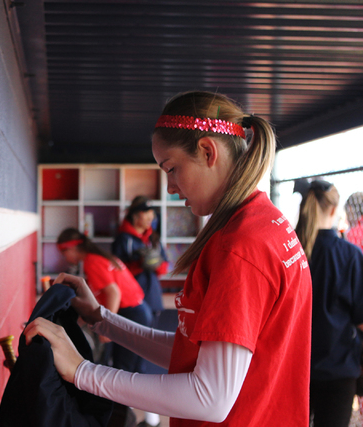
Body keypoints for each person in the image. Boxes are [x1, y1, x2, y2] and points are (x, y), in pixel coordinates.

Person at [25, 91, 312, 426]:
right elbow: (191, 354)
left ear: (207, 151)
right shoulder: (264, 224)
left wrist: (81, 371)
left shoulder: (240, 246)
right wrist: (101, 318)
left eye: (172, 168)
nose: (170, 186)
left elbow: (210, 398)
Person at [56, 228, 161, 426]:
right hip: (140, 310)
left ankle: (124, 420)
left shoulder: (92, 261)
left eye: (63, 252)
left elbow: (114, 293)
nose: (64, 257)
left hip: (132, 313)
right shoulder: (100, 257)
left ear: (72, 249)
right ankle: (151, 421)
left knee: (124, 373)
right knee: (135, 370)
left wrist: (107, 326)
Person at [295, 180, 363, 427]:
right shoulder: (350, 255)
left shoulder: (292, 252)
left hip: (294, 368)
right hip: (339, 371)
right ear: (334, 210)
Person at [112, 196, 168, 325]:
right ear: (135, 215)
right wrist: (140, 264)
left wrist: (155, 264)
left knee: (153, 341)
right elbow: (116, 273)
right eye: (145, 212)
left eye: (152, 213)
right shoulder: (123, 240)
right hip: (132, 302)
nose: (150, 217)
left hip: (153, 297)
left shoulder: (154, 239)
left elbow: (165, 267)